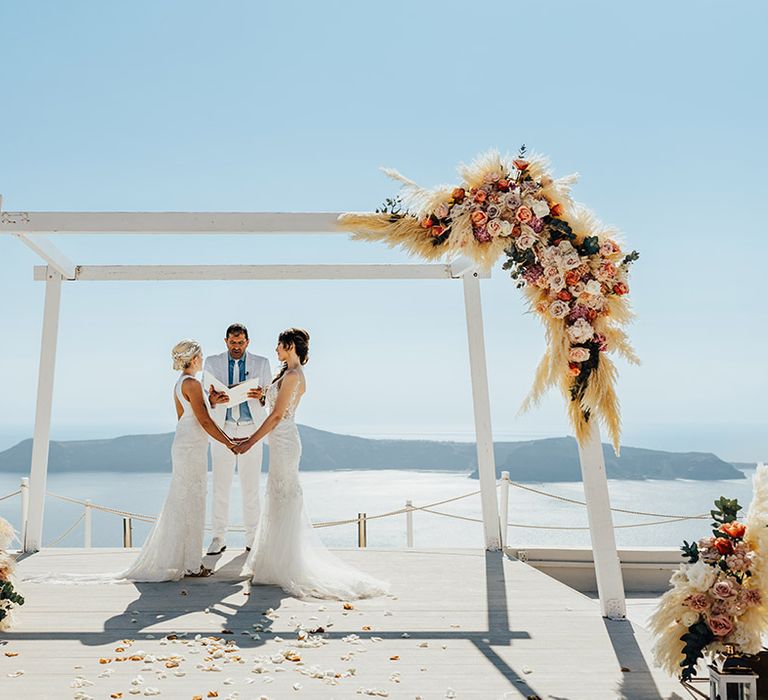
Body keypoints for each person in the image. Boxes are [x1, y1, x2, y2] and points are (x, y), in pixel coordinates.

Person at [25, 340, 241, 584]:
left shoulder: (182, 383)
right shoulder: (191, 383)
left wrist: (212, 402)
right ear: (193, 358)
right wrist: (228, 442)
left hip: (186, 444)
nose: (203, 358)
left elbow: (188, 416)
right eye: (200, 355)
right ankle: (191, 565)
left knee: (185, 501)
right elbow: (203, 421)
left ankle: (188, 562)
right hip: (191, 448)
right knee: (192, 503)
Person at [236, 328, 389, 600]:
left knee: (284, 495)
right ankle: (273, 562)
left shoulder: (294, 376)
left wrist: (250, 441)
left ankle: (286, 564)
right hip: (280, 440)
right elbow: (273, 403)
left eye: (279, 345)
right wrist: (259, 395)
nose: (276, 350)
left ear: (290, 346)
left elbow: (276, 416)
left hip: (284, 441)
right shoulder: (285, 374)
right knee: (277, 495)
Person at [204, 323, 272, 554]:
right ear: (225, 341)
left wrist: (262, 395)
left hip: (251, 430)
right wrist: (213, 400)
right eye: (232, 342)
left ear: (247, 342)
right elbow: (206, 399)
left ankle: (252, 538)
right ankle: (217, 538)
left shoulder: (261, 363)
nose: (236, 346)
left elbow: (270, 398)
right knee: (220, 487)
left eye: (240, 342)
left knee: (250, 488)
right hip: (222, 431)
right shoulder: (212, 363)